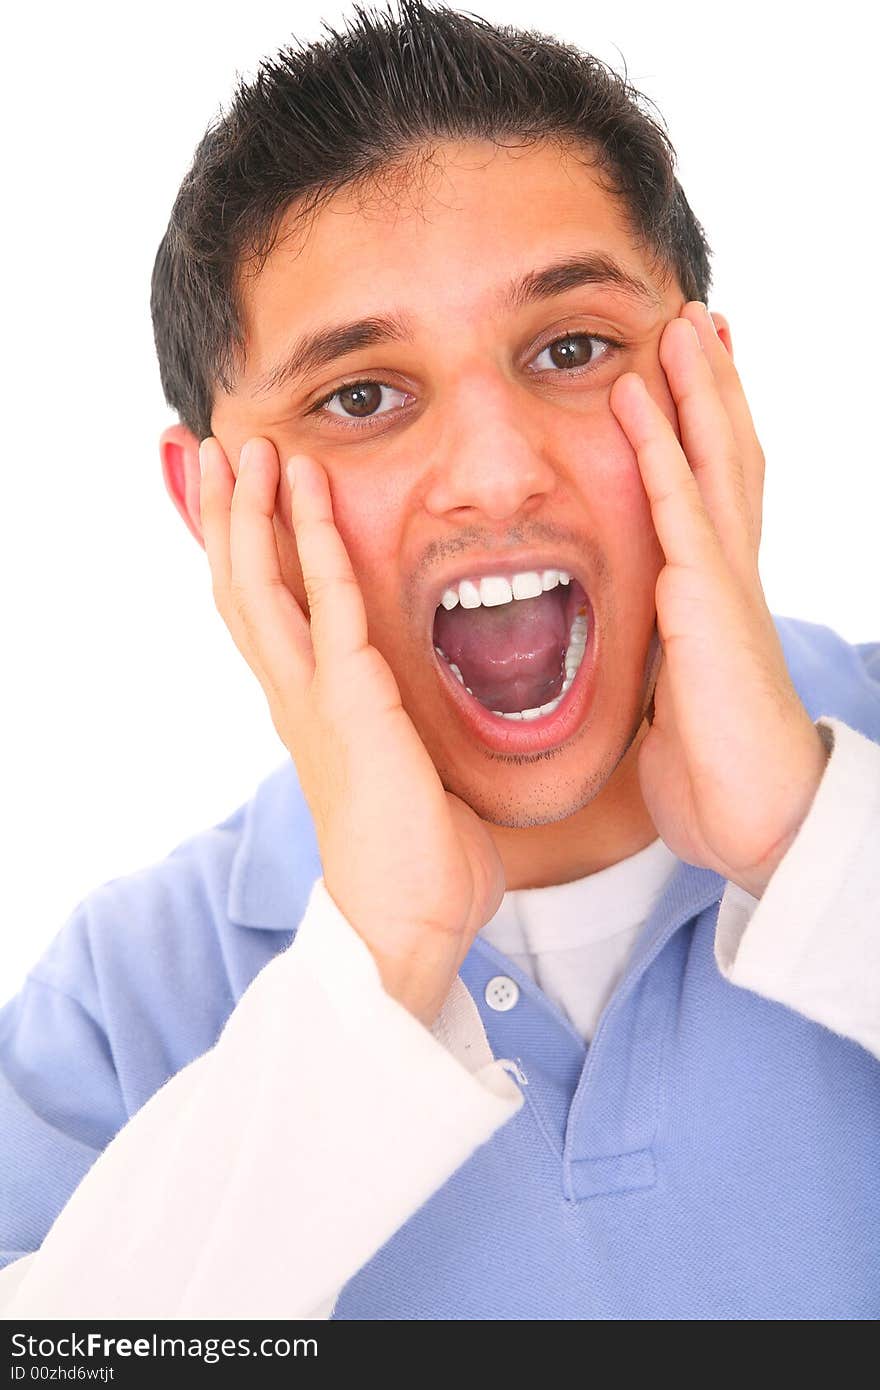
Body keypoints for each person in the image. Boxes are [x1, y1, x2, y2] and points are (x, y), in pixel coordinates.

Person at [1, 0, 878, 1321]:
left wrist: (815, 852)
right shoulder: (128, 1000)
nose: (496, 472)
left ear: (711, 391)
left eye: (572, 350)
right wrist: (376, 969)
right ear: (212, 507)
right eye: (361, 396)